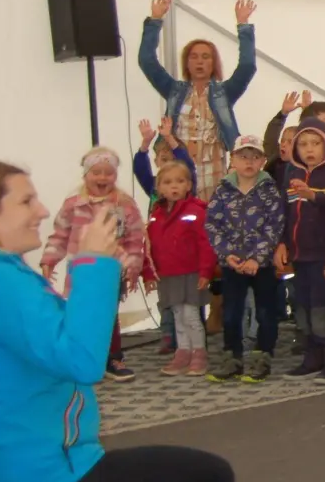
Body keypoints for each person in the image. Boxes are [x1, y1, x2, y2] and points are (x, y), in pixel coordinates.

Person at [0, 159, 234, 482]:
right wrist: (93, 264)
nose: (42, 211)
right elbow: (82, 360)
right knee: (211, 479)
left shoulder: (1, 273)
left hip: (15, 476)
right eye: (26, 201)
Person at [39, 148, 148, 384]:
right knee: (80, 310)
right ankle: (81, 355)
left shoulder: (124, 205)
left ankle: (113, 358)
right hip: (80, 271)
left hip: (111, 271)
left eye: (108, 173)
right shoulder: (73, 205)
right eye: (96, 172)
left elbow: (134, 239)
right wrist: (49, 260)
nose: (102, 178)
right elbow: (59, 235)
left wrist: (132, 267)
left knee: (109, 314)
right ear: (85, 175)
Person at [137, 0, 258, 200]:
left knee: (210, 226)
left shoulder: (224, 92)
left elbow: (247, 67)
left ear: (214, 63)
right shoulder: (174, 90)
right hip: (179, 174)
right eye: (194, 57)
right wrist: (155, 20)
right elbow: (147, 61)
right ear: (186, 62)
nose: (199, 62)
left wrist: (243, 26)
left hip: (214, 173)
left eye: (205, 57)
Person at [272, 118, 325, 383]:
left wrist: (312, 194)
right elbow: (285, 211)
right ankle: (312, 356)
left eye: (315, 143)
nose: (309, 149)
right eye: (303, 144)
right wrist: (282, 243)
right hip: (299, 255)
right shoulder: (290, 174)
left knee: (323, 309)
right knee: (303, 308)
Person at [205, 135, 285, 383]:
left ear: (262, 160)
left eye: (254, 157)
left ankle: (263, 355)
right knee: (231, 312)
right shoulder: (223, 190)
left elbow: (275, 225)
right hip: (232, 263)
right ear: (233, 160)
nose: (248, 162)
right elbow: (212, 224)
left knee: (265, 312)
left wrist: (258, 258)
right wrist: (226, 254)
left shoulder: (270, 190)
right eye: (243, 156)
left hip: (262, 265)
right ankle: (233, 356)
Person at [147, 162, 217, 378]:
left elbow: (206, 244)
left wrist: (206, 271)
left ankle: (199, 352)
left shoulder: (196, 212)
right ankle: (182, 351)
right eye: (167, 183)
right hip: (168, 274)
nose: (174, 187)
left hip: (191, 273)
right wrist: (148, 273)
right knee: (177, 314)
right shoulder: (155, 216)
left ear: (188, 185)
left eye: (180, 181)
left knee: (191, 314)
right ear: (159, 188)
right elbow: (148, 247)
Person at [133, 118, 196, 357]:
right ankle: (168, 333)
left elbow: (188, 166)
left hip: (186, 256)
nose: (167, 165)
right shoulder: (154, 187)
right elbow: (140, 168)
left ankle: (194, 339)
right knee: (166, 296)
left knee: (188, 300)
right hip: (162, 254)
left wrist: (171, 139)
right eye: (162, 159)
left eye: (172, 159)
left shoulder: (186, 186)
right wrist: (145, 144)